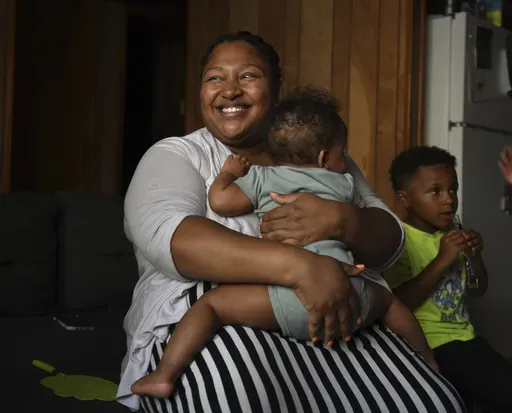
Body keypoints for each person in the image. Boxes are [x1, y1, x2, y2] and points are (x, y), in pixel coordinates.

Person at [116, 31, 465, 413]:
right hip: (227, 319)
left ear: (277, 89)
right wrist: (302, 267)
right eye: (215, 78)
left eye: (248, 76)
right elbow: (172, 237)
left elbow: (390, 242)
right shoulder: (176, 154)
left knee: (434, 401)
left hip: (343, 308)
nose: (230, 91)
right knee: (239, 395)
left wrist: (345, 221)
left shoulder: (324, 156)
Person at [384, 145, 512, 412]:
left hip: (466, 339)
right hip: (428, 346)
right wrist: (443, 260)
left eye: (453, 189)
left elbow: (478, 289)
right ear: (404, 197)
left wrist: (474, 257)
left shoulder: (452, 231)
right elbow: (396, 304)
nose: (449, 200)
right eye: (435, 191)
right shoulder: (397, 240)